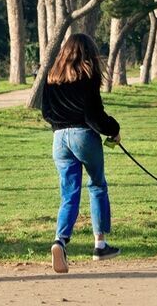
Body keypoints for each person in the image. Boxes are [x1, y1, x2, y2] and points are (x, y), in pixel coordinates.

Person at [41, 34, 122, 274]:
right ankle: (100, 244)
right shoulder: (88, 76)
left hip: (59, 139)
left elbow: (46, 112)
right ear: (88, 53)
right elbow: (94, 116)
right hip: (83, 136)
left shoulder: (52, 77)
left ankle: (60, 240)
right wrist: (113, 130)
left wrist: (61, 125)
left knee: (69, 193)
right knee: (97, 185)